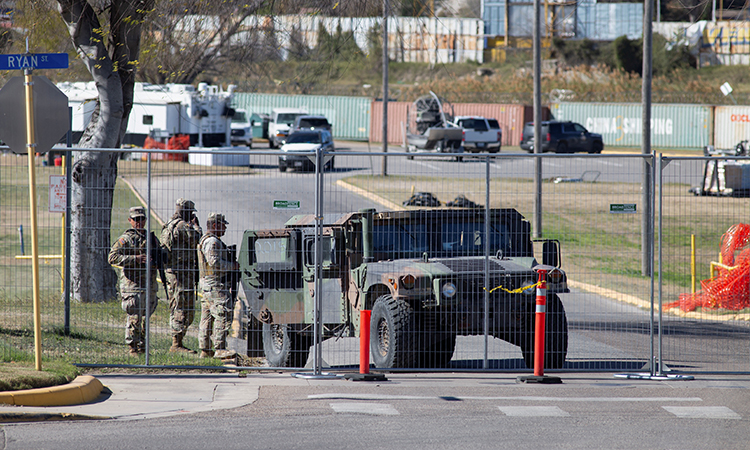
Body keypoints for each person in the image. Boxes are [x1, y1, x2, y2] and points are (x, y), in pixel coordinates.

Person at [108, 206, 164, 356]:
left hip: (149, 285)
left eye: (141, 219)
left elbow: (160, 256)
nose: (139, 222)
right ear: (130, 221)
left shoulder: (151, 239)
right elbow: (112, 258)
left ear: (145, 220)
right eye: (136, 219)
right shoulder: (125, 240)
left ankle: (143, 347)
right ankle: (133, 347)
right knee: (134, 317)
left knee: (145, 317)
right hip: (132, 286)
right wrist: (135, 259)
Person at [161, 198, 202, 353]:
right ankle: (176, 344)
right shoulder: (183, 226)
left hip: (173, 273)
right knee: (182, 308)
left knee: (177, 306)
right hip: (182, 274)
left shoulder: (168, 225)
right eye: (190, 213)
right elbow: (198, 241)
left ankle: (177, 342)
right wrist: (196, 227)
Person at [197, 213, 239, 359]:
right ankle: (219, 348)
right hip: (214, 283)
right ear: (215, 225)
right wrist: (233, 266)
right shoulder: (212, 242)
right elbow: (215, 263)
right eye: (223, 225)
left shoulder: (207, 240)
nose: (225, 228)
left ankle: (205, 349)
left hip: (208, 284)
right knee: (223, 312)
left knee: (207, 316)